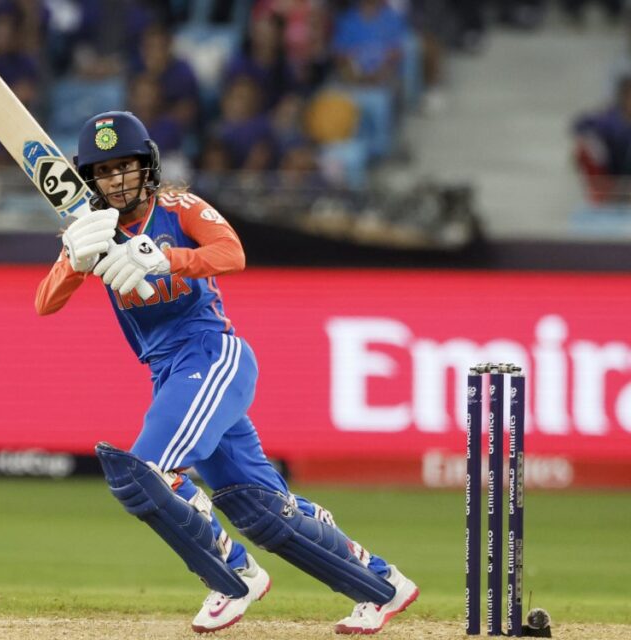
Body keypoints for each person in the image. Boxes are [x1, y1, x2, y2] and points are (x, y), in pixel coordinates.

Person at [34, 111, 419, 635]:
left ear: (148, 166)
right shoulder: (91, 231)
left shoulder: (178, 206)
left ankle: (234, 573)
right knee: (262, 509)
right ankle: (383, 584)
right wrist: (72, 261)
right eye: (103, 172)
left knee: (144, 474)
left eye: (125, 166)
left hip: (212, 355)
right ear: (89, 179)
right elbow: (44, 303)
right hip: (169, 373)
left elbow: (232, 253)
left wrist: (165, 259)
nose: (116, 180)